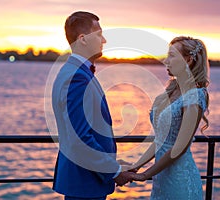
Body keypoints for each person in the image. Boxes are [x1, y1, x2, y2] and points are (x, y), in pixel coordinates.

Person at [51, 11, 134, 200]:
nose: (103, 40)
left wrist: (114, 165)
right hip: (84, 181)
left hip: (86, 179)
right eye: (98, 34)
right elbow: (80, 138)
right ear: (83, 39)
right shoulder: (78, 78)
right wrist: (114, 171)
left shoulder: (74, 72)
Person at [127, 36, 210, 199]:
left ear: (188, 60)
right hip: (161, 179)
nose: (166, 61)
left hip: (180, 180)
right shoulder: (170, 92)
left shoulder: (195, 95)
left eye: (172, 56)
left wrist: (145, 175)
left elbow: (180, 147)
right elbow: (159, 141)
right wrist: (135, 167)